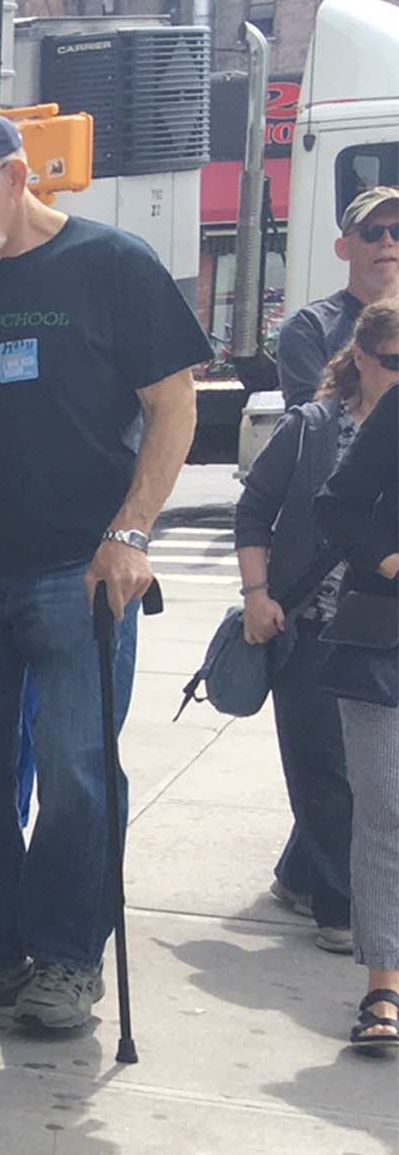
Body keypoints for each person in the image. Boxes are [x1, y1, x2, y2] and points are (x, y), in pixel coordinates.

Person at [0, 108, 212, 1033]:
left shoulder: (113, 263)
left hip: (79, 567)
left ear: (17, 175)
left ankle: (68, 961)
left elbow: (173, 406)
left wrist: (134, 532)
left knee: (75, 768)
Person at [239, 299, 398, 959]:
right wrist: (256, 595)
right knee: (324, 772)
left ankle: (302, 873)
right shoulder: (310, 429)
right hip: (309, 622)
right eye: (393, 360)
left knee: (364, 777)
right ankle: (342, 907)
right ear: (359, 356)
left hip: (379, 630)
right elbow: (254, 513)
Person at [314, 350, 399, 1046]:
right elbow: (336, 506)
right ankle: (383, 989)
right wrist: (390, 557)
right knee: (385, 807)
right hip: (386, 639)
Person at [276, 187, 399, 408]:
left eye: (398, 231)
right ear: (343, 248)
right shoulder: (308, 327)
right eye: (372, 232)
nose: (387, 241)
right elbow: (315, 424)